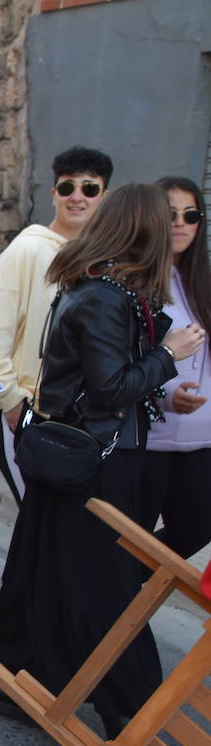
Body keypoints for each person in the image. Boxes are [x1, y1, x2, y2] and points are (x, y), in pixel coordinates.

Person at [0, 183, 205, 738]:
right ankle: (134, 718)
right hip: (98, 462)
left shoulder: (98, 289)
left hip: (80, 458)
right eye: (162, 223)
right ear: (144, 233)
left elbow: (97, 381)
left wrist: (159, 388)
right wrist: (167, 357)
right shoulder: (105, 296)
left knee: (44, 570)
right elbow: (108, 389)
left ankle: (9, 677)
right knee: (105, 588)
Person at [0, 146, 113, 504]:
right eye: (67, 188)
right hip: (30, 417)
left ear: (104, 196)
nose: (77, 197)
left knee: (60, 536)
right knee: (37, 528)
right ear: (54, 195)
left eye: (89, 188)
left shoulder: (105, 262)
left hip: (81, 423)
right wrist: (13, 403)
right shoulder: (26, 251)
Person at [138, 176, 211, 558]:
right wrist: (167, 395)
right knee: (131, 538)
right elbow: (124, 361)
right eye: (170, 214)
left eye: (191, 214)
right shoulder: (135, 281)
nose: (181, 223)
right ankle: (117, 604)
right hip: (148, 440)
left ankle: (120, 594)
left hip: (200, 441)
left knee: (197, 527)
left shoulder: (201, 282)